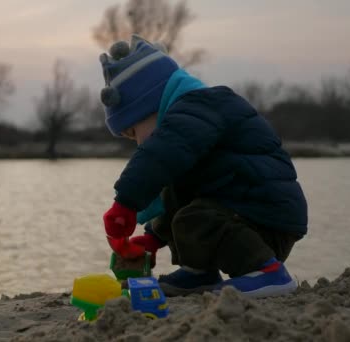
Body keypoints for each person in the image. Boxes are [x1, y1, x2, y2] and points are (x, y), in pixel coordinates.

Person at [100, 35, 308, 297]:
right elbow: (177, 194)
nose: (138, 144)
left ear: (151, 105)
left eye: (133, 132)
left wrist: (126, 203)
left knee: (194, 219)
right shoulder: (192, 125)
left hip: (267, 215)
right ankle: (199, 272)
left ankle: (270, 273)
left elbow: (159, 154)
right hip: (240, 209)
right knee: (182, 196)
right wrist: (153, 237)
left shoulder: (200, 107)